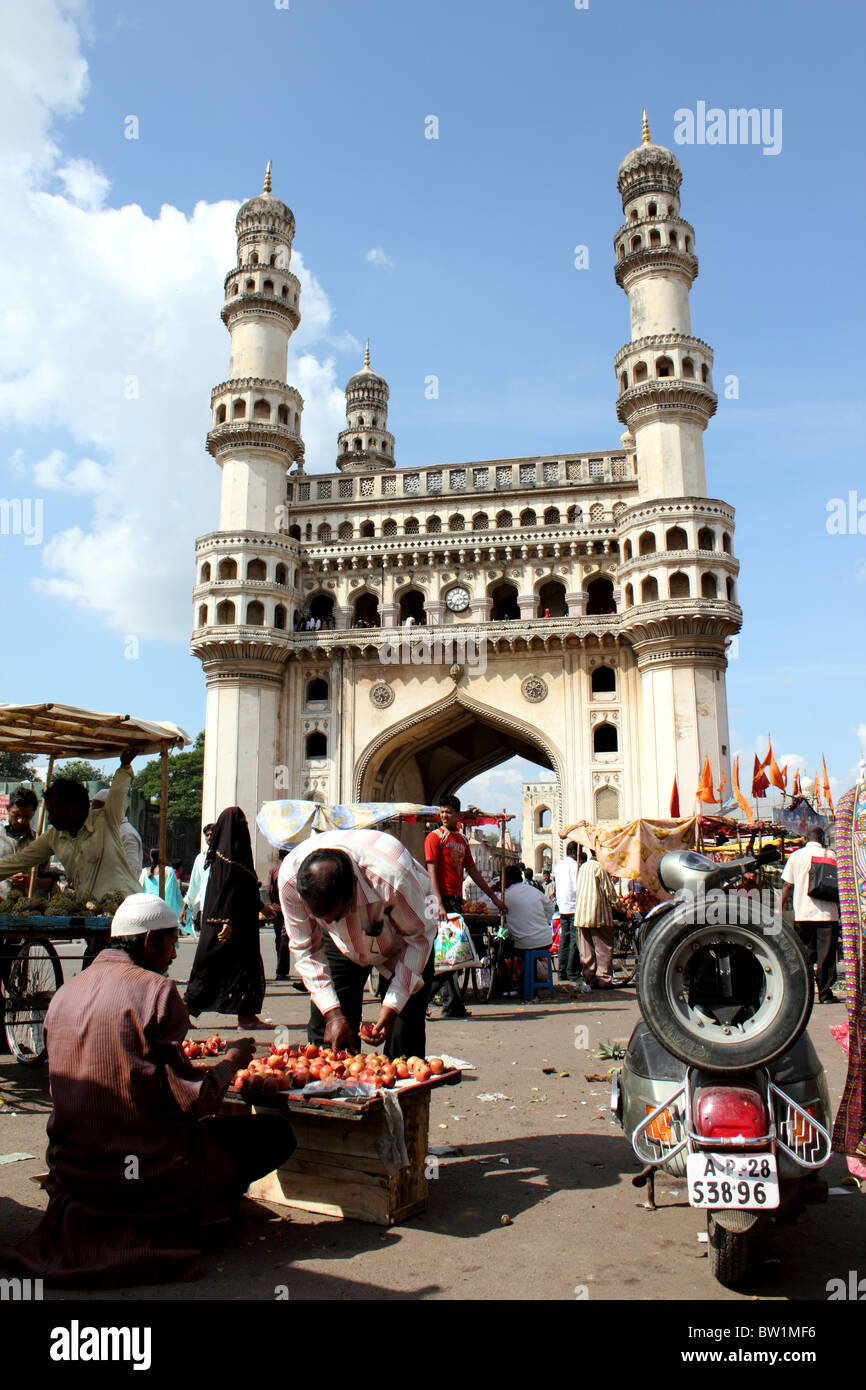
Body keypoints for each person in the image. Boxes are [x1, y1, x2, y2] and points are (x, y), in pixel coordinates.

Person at [0, 894, 294, 1288]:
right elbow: (195, 1102)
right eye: (171, 942)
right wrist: (232, 1062)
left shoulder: (66, 993)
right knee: (274, 1134)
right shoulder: (156, 990)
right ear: (149, 940)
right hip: (144, 1169)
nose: (175, 953)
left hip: (74, 1169)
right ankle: (192, 1210)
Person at [279, 828, 436, 1059]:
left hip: (403, 936)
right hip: (339, 943)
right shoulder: (290, 882)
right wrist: (333, 1014)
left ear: (351, 893)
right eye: (322, 918)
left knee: (405, 1035)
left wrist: (393, 1004)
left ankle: (401, 1092)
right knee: (327, 1036)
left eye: (336, 915)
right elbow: (305, 948)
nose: (329, 921)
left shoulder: (392, 877)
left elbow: (419, 938)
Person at [0, 753, 142, 901]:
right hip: (92, 914)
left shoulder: (105, 820)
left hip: (127, 908)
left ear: (74, 809)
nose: (50, 818)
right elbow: (17, 861)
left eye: (55, 812)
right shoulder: (53, 837)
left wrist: (124, 766)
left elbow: (118, 791)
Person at [184, 808, 269, 1030]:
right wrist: (227, 921)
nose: (245, 827)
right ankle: (186, 1012)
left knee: (242, 970)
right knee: (210, 969)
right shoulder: (226, 858)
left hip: (238, 925)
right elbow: (225, 892)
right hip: (226, 925)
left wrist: (261, 907)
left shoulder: (231, 856)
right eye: (241, 823)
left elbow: (244, 888)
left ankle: (246, 1016)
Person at [425, 796, 506, 1018]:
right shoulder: (435, 838)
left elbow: (473, 872)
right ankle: (423, 998)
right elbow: (431, 869)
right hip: (441, 900)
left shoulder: (460, 841)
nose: (444, 816)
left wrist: (495, 898)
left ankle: (453, 1004)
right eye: (441, 812)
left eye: (448, 812)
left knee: (455, 954)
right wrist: (438, 901)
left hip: (455, 899)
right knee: (449, 953)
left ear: (457, 815)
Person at [780, 827, 840, 1004]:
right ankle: (825, 994)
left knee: (804, 954)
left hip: (803, 914)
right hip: (827, 915)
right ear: (821, 838)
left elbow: (787, 886)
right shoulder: (831, 856)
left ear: (807, 839)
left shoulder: (796, 856)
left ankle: (803, 993)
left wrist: (778, 908)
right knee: (826, 956)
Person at [574, 845, 618, 989]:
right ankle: (604, 978)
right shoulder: (599, 868)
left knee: (587, 950)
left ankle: (589, 977)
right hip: (598, 915)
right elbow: (610, 893)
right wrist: (622, 909)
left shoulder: (582, 867)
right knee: (603, 948)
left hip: (582, 914)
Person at [0, 788, 54, 899]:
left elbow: (48, 881)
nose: (21, 820)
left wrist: (33, 882)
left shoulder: (39, 841)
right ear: (7, 809)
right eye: (16, 815)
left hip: (28, 910)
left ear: (33, 813)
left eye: (26, 816)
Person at [90, 787, 143, 877]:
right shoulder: (104, 832)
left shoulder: (127, 835)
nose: (93, 814)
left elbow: (131, 873)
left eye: (96, 810)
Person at [503, 863, 554, 950]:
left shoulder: (506, 895)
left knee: (503, 944)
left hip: (524, 943)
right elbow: (550, 906)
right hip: (546, 939)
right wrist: (545, 921)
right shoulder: (534, 890)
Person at [554, 840, 583, 986]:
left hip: (562, 906)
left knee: (564, 939)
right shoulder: (574, 866)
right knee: (573, 940)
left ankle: (562, 971)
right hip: (573, 906)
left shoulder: (558, 866)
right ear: (574, 853)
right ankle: (572, 972)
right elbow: (578, 887)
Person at [181, 822, 215, 935]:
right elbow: (194, 886)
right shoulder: (201, 859)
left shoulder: (224, 857)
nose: (209, 837)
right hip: (205, 909)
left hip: (221, 911)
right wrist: (184, 908)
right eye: (207, 835)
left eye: (212, 834)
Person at [140, 849, 187, 926]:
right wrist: (183, 908)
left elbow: (140, 891)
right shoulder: (169, 871)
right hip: (162, 910)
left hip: (147, 911)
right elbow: (174, 894)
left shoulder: (144, 872)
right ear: (162, 857)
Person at [267, 849, 292, 979]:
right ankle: (281, 969)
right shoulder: (293, 870)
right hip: (288, 908)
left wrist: (274, 903)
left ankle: (281, 968)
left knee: (279, 937)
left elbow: (268, 890)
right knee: (285, 937)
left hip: (277, 908)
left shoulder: (274, 871)